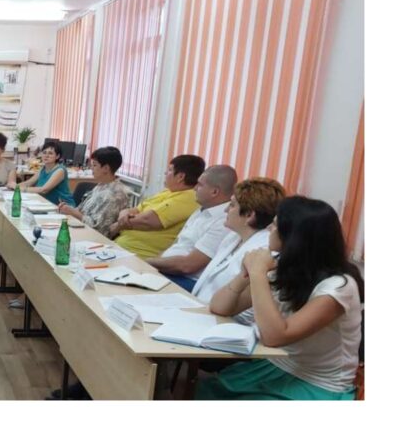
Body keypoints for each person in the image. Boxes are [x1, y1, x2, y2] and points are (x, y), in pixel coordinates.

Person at [199, 196, 364, 400]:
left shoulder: (339, 286)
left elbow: (274, 337)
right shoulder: (286, 268)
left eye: (276, 225)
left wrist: (258, 273)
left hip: (316, 384)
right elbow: (220, 307)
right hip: (274, 366)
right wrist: (244, 275)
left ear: (293, 236)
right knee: (205, 390)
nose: (269, 228)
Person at [192, 177, 286, 307]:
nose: (225, 210)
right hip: (201, 307)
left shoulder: (264, 252)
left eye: (232, 205)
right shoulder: (233, 237)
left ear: (249, 215)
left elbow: (246, 309)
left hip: (226, 317)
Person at [146, 165, 238, 292]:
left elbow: (188, 266)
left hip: (185, 281)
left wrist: (148, 263)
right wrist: (151, 264)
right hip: (167, 272)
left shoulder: (223, 221)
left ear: (214, 192)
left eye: (200, 185)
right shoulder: (202, 210)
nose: (194, 188)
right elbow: (176, 245)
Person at [111, 155, 205, 258]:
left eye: (169, 170)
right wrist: (124, 214)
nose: (165, 173)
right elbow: (135, 209)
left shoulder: (188, 197)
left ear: (180, 177)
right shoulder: (168, 191)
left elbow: (147, 220)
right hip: (122, 247)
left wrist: (119, 225)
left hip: (140, 256)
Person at [57, 146, 129, 234]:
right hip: (79, 228)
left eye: (94, 165)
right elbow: (82, 211)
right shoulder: (102, 185)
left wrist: (74, 212)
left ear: (106, 168)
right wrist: (69, 209)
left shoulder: (114, 195)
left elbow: (99, 229)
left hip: (92, 236)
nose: (91, 168)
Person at [10, 140, 74, 206]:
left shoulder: (60, 170)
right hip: (45, 203)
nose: (46, 155)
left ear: (57, 156)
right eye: (44, 152)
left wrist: (19, 189)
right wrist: (12, 186)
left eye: (50, 153)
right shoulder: (43, 169)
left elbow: (44, 190)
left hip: (63, 207)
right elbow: (28, 183)